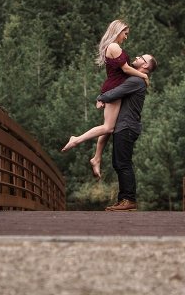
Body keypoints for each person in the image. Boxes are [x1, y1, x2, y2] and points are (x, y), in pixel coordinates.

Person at [61, 20, 149, 180]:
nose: (126, 37)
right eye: (125, 33)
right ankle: (77, 140)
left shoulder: (114, 46)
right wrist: (144, 75)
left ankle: (97, 158)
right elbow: (126, 69)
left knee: (110, 127)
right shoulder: (114, 47)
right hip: (114, 89)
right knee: (108, 127)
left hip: (116, 89)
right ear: (118, 31)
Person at [97, 53, 157, 211]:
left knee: (123, 164)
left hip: (127, 126)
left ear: (145, 66)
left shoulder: (136, 80)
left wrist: (101, 97)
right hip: (124, 126)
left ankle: (129, 200)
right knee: (119, 163)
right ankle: (123, 199)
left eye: (141, 58)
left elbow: (116, 92)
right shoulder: (136, 79)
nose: (137, 57)